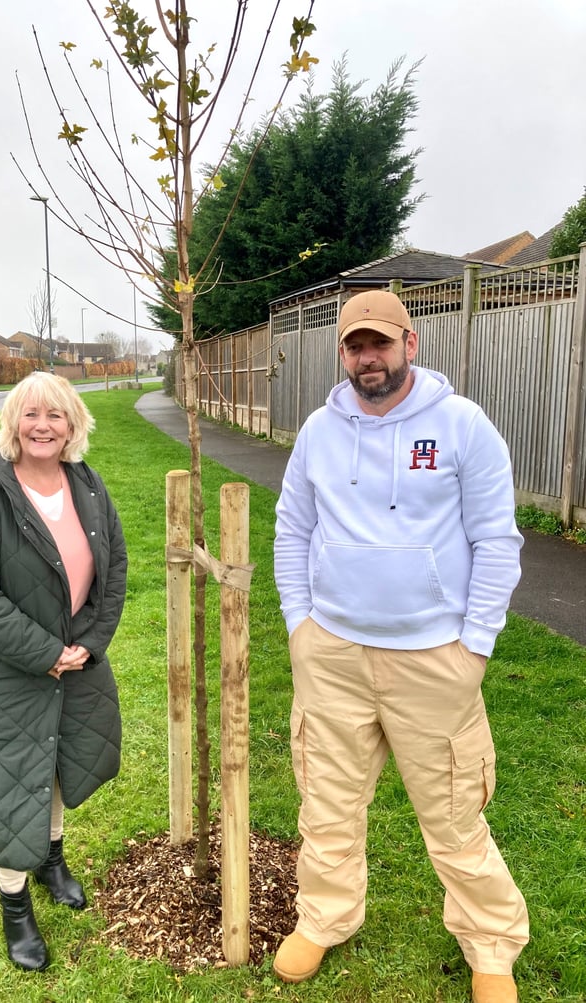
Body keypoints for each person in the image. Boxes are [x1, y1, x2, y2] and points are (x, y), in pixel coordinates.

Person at [272, 290, 528, 1003]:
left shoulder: (461, 426)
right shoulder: (320, 432)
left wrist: (474, 646)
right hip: (333, 655)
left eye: (380, 343)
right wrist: (300, 626)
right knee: (326, 803)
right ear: (343, 353)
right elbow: (292, 530)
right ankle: (325, 918)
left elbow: (497, 543)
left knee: (452, 812)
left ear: (410, 344)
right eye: (355, 345)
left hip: (432, 659)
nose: (368, 357)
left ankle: (491, 946)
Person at [0, 371, 127, 971]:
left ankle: (51, 859)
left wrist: (89, 644)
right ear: (13, 422)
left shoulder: (88, 486)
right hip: (2, 670)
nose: (42, 426)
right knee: (8, 782)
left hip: (73, 662)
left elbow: (113, 569)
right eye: (30, 415)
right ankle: (14, 908)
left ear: (73, 424)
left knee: (59, 763)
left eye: (55, 415)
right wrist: (44, 652)